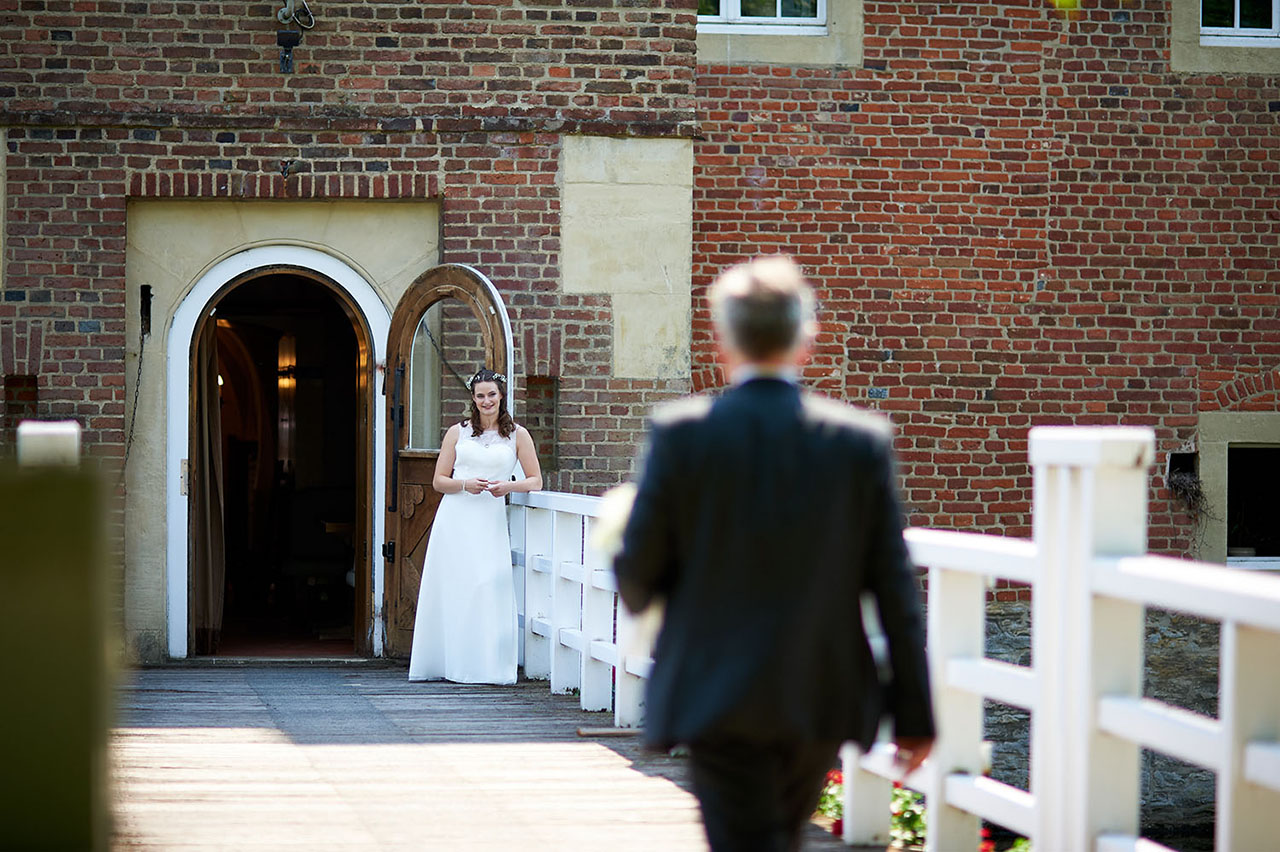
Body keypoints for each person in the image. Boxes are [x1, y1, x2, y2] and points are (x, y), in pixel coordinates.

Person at [613, 256, 935, 851]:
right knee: (778, 836)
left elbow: (637, 578)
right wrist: (915, 714)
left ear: (721, 344)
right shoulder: (858, 443)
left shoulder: (682, 435)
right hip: (817, 690)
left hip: (715, 690)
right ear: (804, 342)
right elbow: (894, 590)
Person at [408, 368, 542, 685]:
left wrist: (507, 487)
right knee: (454, 586)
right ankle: (447, 663)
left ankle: (485, 666)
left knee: (486, 585)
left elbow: (535, 480)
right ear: (473, 398)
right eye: (480, 395)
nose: (486, 401)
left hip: (489, 521)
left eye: (491, 395)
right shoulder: (458, 432)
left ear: (501, 396)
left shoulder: (517, 436)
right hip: (456, 517)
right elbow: (439, 481)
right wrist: (465, 483)